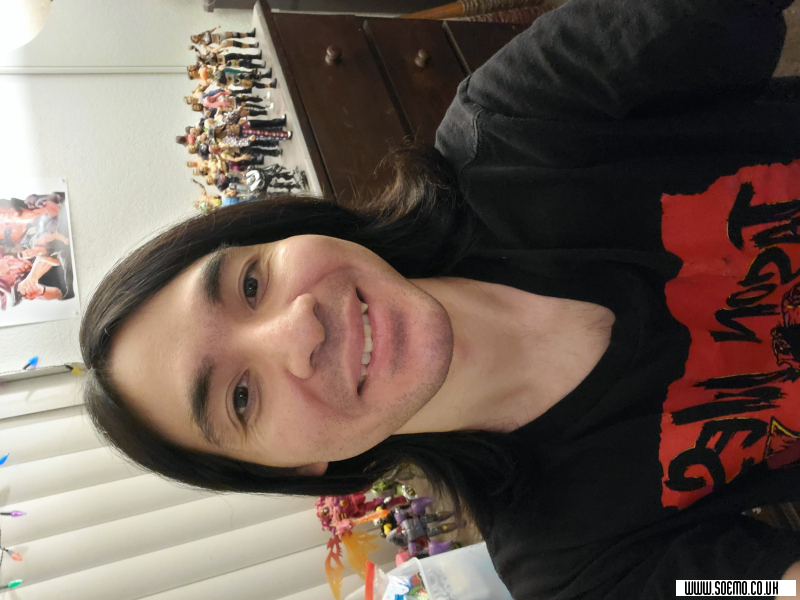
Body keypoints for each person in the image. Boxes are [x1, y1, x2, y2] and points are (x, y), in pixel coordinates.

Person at [80, 0, 800, 597]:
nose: (297, 330)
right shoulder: (572, 569)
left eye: (250, 284)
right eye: (241, 398)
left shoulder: (518, 121)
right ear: (297, 471)